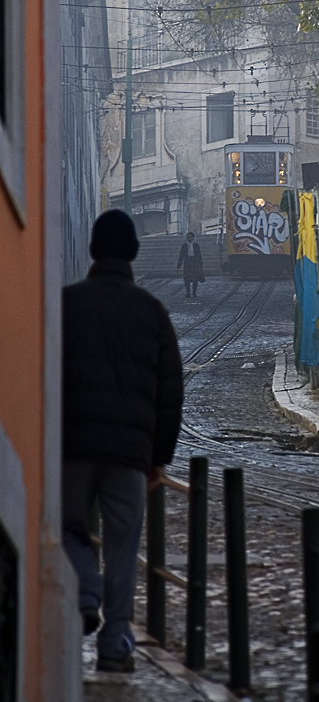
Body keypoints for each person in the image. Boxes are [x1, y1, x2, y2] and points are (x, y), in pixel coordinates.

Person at [62, 209, 183, 673]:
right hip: (131, 458)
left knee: (69, 527)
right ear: (132, 253)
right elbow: (170, 392)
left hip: (72, 448)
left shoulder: (65, 303)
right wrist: (158, 459)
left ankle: (85, 589)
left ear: (93, 250)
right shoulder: (152, 312)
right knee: (123, 546)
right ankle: (115, 642)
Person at [177, 231, 205, 298]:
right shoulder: (184, 246)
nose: (189, 238)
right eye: (188, 237)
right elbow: (181, 255)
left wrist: (201, 265)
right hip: (187, 263)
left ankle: (194, 293)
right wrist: (179, 265)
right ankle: (188, 293)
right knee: (187, 279)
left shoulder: (196, 245)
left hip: (194, 263)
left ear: (193, 238)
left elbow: (199, 255)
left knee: (195, 279)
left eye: (191, 237)